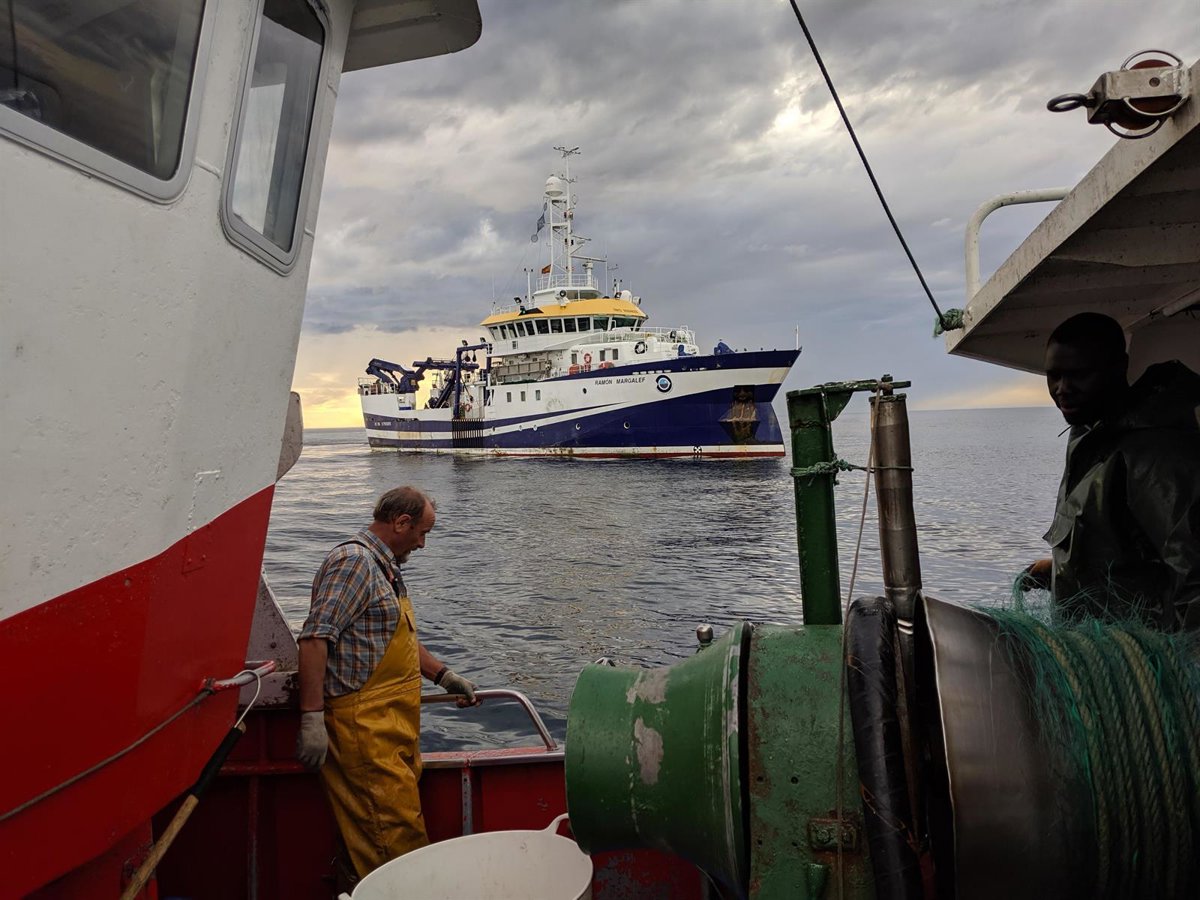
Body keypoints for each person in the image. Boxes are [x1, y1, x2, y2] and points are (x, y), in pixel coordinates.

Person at [295, 486, 479, 880]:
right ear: (401, 523)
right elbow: (314, 639)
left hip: (391, 730)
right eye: (422, 533)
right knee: (393, 844)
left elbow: (398, 639)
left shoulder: (384, 569)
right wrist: (311, 718)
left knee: (396, 832)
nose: (423, 544)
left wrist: (444, 676)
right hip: (363, 732)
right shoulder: (353, 563)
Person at [1023, 312, 1200, 629]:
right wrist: (1059, 570)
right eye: (1054, 375)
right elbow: (1128, 554)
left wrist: (1178, 673)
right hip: (1091, 656)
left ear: (1119, 367)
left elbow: (1194, 580)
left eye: (1078, 374)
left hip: (1139, 666)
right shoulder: (1092, 434)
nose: (1062, 388)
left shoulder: (1158, 455)